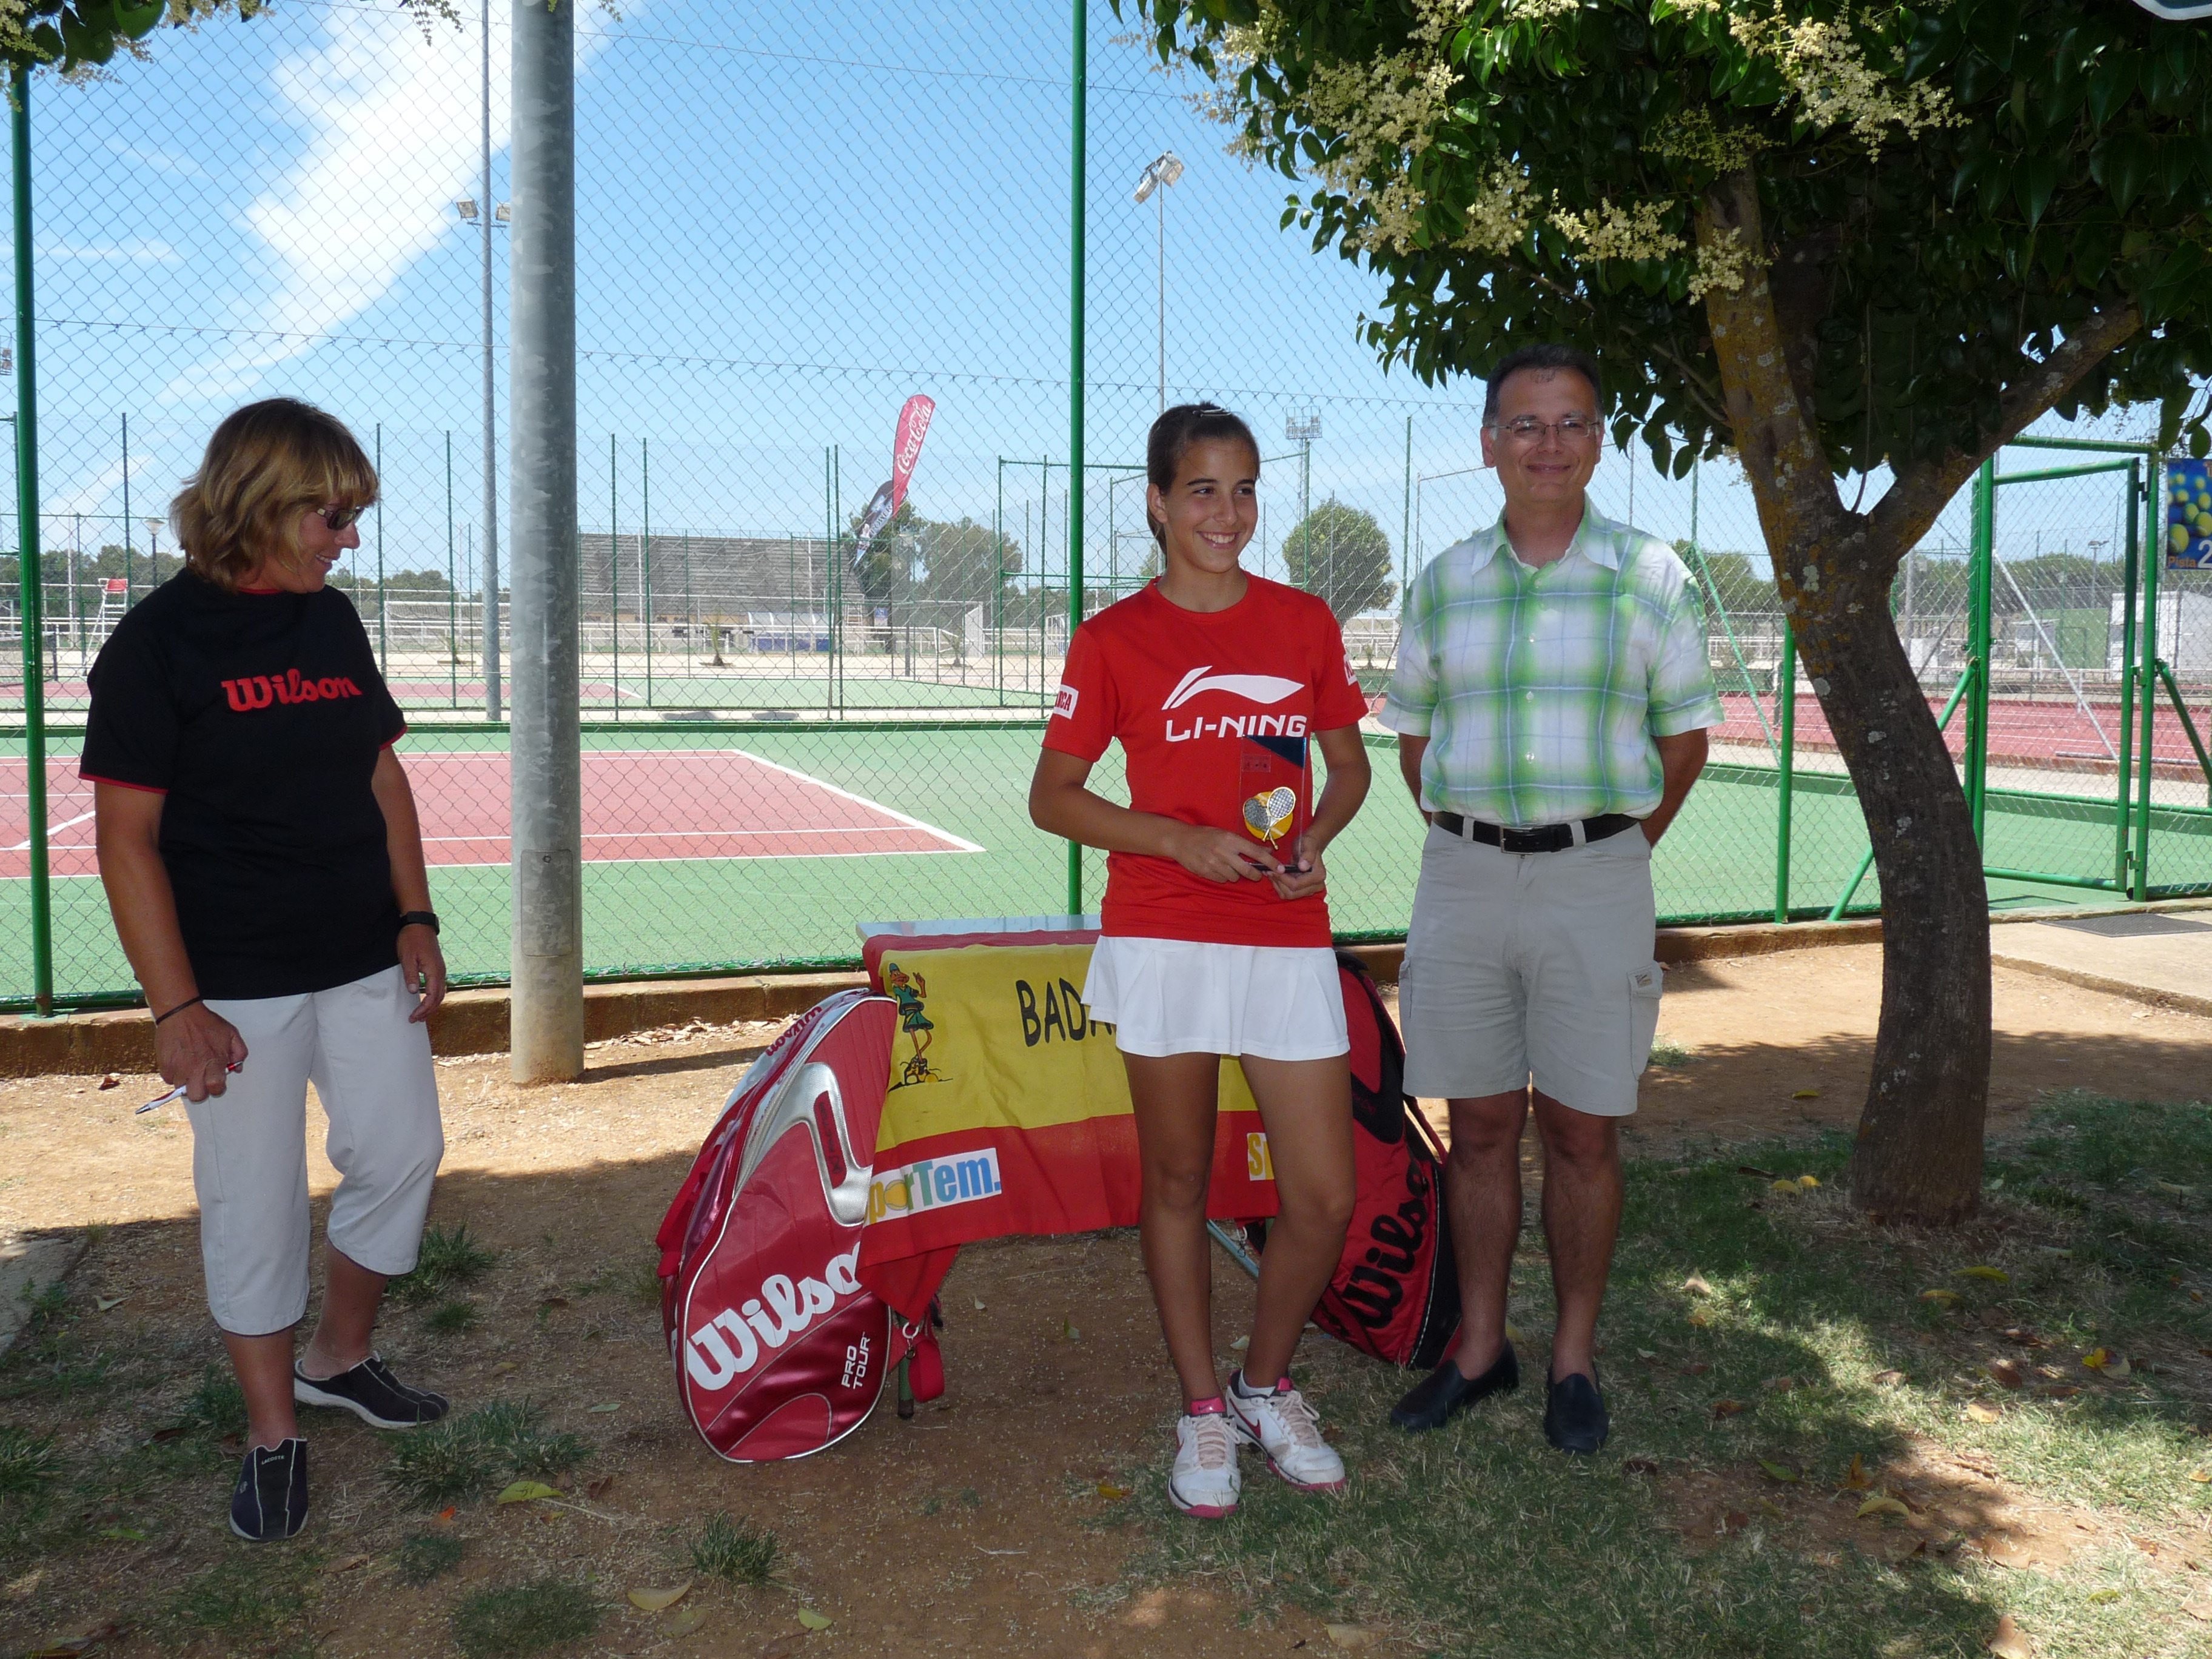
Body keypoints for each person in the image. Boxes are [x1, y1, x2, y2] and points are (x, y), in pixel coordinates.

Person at [85, 398, 452, 1543]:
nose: (349, 538)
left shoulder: (331, 621)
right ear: (257, 505)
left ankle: (337, 1358)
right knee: (255, 1204)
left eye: (352, 516)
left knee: (402, 1151)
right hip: (233, 980)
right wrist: (177, 1008)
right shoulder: (156, 645)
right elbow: (125, 841)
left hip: (361, 952)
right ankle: (270, 1430)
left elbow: (381, 778)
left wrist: (416, 915)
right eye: (330, 516)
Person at [1030, 402, 1372, 1518]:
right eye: (1203, 491)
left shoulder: (1303, 623)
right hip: (1165, 932)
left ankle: (1264, 1385)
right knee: (1176, 1180)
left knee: (1323, 1193)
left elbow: (1348, 768)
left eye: (1244, 489)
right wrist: (1176, 840)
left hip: (1283, 934)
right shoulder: (1113, 639)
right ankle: (1200, 1409)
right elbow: (1054, 798)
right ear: (1158, 502)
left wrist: (1315, 839)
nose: (1227, 513)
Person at [1378, 344, 1722, 1455]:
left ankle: (1573, 1358)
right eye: (1525, 424)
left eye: (1572, 422)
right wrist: (1485, 842)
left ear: (1600, 441)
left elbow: (1685, 743)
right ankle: (1482, 1349)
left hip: (1597, 876)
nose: (1548, 444)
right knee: (1479, 1128)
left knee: (1581, 1131)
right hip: (1464, 875)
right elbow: (1415, 742)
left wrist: (1607, 851)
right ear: (1489, 443)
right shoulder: (1443, 581)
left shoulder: (1652, 575)